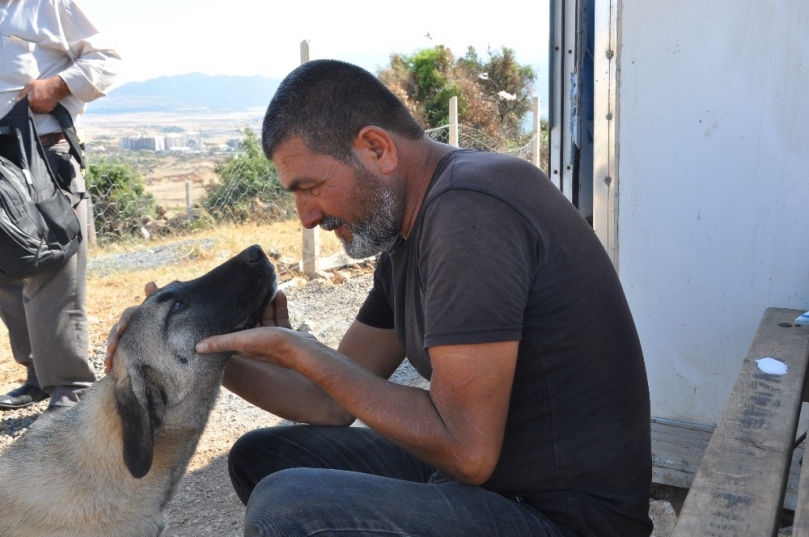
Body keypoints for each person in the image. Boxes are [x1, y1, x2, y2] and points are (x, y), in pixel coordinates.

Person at [108, 59, 652, 536]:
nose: (308, 216)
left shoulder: (470, 213)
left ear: (376, 148)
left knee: (287, 508)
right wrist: (210, 351)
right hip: (493, 486)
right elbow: (326, 403)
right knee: (263, 458)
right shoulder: (405, 238)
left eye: (310, 187)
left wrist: (306, 353)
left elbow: (467, 450)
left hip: (561, 518)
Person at [0, 0, 121, 411]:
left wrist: (57, 86)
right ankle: (37, 375)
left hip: (42, 153)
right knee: (6, 270)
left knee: (53, 268)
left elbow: (108, 59)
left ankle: (70, 391)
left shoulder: (47, 2)